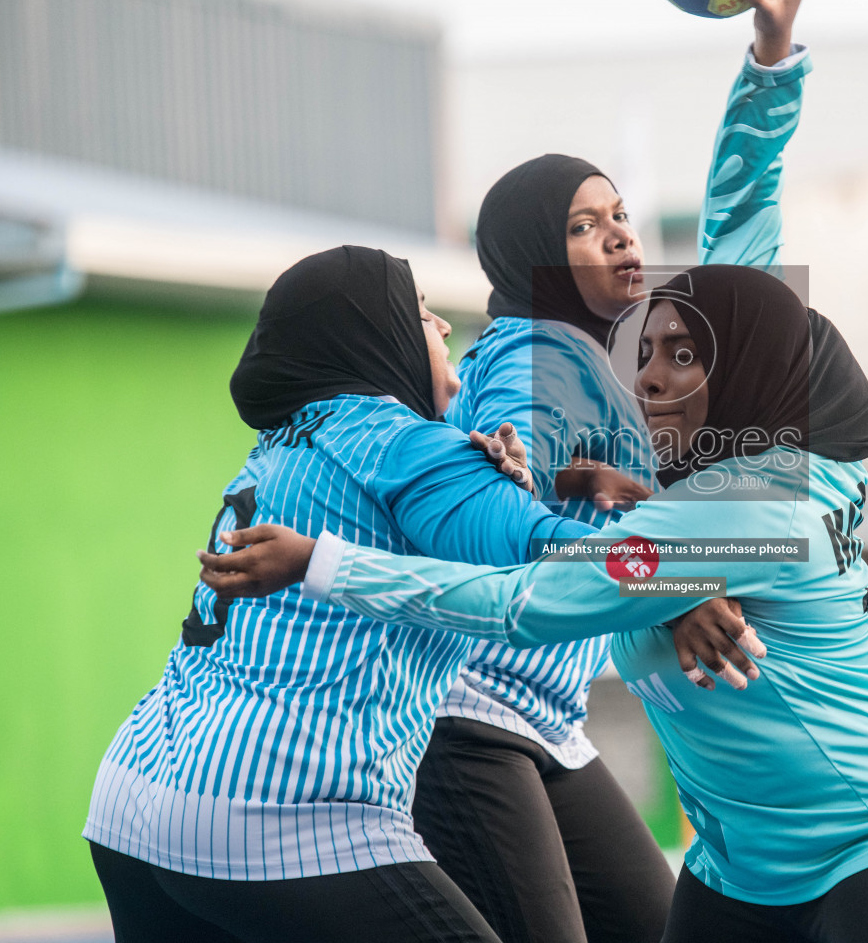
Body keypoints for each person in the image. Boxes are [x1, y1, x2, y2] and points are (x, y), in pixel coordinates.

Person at [200, 265, 868, 943]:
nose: (647, 378)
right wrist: (592, 516)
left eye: (683, 356)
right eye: (644, 352)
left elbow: (535, 602)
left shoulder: (752, 505)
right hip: (745, 872)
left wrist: (326, 565)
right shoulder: (716, 489)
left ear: (752, 374)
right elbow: (627, 537)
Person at [417, 0, 811, 940]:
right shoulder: (530, 353)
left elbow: (741, 219)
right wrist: (673, 586)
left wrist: (771, 59)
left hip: (548, 718)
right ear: (529, 256)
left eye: (624, 214)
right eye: (584, 225)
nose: (621, 234)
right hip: (467, 716)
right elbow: (499, 504)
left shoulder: (617, 354)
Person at [84, 245, 575, 942]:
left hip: (137, 793)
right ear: (376, 338)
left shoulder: (288, 441)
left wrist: (500, 489)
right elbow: (571, 561)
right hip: (283, 811)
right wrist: (703, 577)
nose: (441, 329)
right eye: (422, 314)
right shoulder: (399, 443)